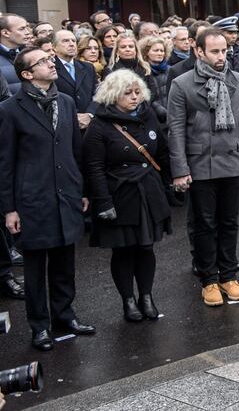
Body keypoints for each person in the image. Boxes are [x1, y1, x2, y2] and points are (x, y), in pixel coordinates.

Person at [0, 47, 95, 351]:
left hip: (65, 194)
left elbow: (75, 150)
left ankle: (65, 317)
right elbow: (5, 162)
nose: (50, 62)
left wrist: (82, 190)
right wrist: (9, 208)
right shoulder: (10, 109)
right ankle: (40, 326)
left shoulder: (65, 102)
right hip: (32, 199)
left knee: (65, 263)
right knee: (35, 267)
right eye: (42, 61)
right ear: (27, 74)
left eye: (49, 58)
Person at [167, 28, 239, 306]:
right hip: (200, 164)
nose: (221, 56)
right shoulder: (182, 83)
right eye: (214, 51)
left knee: (229, 222)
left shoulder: (237, 79)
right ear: (199, 52)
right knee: (205, 224)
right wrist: (180, 169)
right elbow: (176, 129)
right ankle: (209, 279)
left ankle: (229, 275)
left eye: (224, 51)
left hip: (231, 161)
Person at [82, 70, 172, 322]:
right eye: (128, 93)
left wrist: (174, 180)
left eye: (137, 92)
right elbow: (94, 168)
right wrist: (103, 202)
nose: (135, 98)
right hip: (119, 194)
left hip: (148, 190)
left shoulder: (148, 114)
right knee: (123, 251)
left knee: (146, 247)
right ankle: (128, 300)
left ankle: (146, 296)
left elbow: (162, 151)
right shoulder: (99, 125)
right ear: (113, 95)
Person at [52, 30, 98, 128]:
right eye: (65, 41)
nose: (71, 44)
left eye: (73, 41)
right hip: (64, 125)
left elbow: (98, 95)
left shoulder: (88, 67)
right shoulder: (50, 68)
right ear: (54, 47)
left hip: (90, 125)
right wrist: (74, 117)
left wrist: (89, 114)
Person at [138, 36, 171, 124]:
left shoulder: (170, 70)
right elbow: (146, 96)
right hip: (153, 118)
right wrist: (161, 111)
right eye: (155, 50)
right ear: (146, 52)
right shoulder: (142, 72)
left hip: (172, 116)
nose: (160, 53)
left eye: (162, 50)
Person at [0, 14, 31, 95]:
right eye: (22, 29)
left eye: (27, 28)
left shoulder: (30, 54)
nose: (27, 32)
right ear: (5, 33)